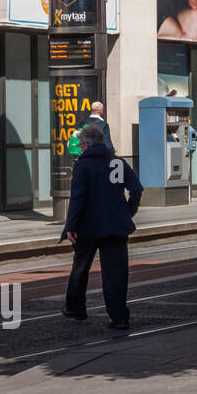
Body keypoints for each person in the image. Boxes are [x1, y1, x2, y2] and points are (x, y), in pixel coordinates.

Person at [60, 126, 143, 329]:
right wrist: (127, 211)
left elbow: (78, 198)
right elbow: (136, 189)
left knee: (80, 268)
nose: (80, 148)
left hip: (88, 226)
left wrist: (70, 226)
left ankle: (76, 308)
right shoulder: (118, 162)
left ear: (86, 144)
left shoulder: (83, 165)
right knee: (116, 273)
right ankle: (119, 317)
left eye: (80, 145)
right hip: (116, 226)